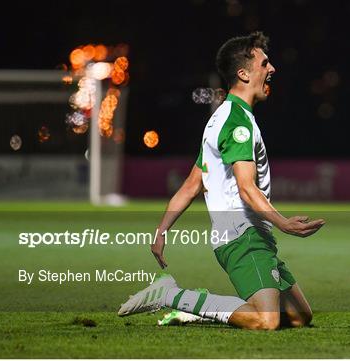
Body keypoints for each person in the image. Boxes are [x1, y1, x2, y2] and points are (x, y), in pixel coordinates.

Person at [118, 31, 325, 330]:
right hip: (242, 235)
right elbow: (246, 187)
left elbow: (192, 185)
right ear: (243, 73)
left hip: (252, 236)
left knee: (299, 316)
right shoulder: (236, 122)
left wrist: (161, 230)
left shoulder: (221, 117)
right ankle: (175, 296)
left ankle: (199, 309)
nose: (272, 69)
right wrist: (284, 223)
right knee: (266, 321)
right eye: (265, 63)